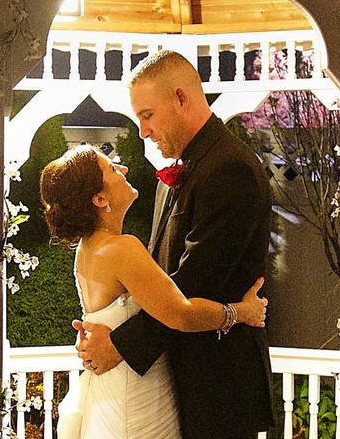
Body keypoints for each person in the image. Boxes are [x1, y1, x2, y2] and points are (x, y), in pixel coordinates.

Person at [76, 49, 275, 439]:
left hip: (217, 387)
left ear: (181, 98)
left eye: (147, 115)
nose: (142, 131)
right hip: (175, 378)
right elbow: (156, 277)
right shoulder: (184, 169)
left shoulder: (229, 170)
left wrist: (120, 343)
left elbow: (190, 284)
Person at [40, 144, 267, 439]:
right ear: (99, 198)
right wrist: (240, 312)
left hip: (110, 389)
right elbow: (181, 315)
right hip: (135, 396)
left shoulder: (87, 248)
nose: (123, 170)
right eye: (112, 169)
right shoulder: (121, 249)